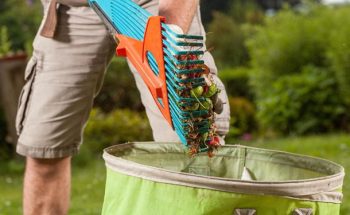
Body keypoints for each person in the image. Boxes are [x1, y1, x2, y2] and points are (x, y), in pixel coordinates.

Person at [16, 0, 230, 214]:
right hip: (74, 8)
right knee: (44, 147)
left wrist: (171, 41)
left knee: (194, 150)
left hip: (155, 5)